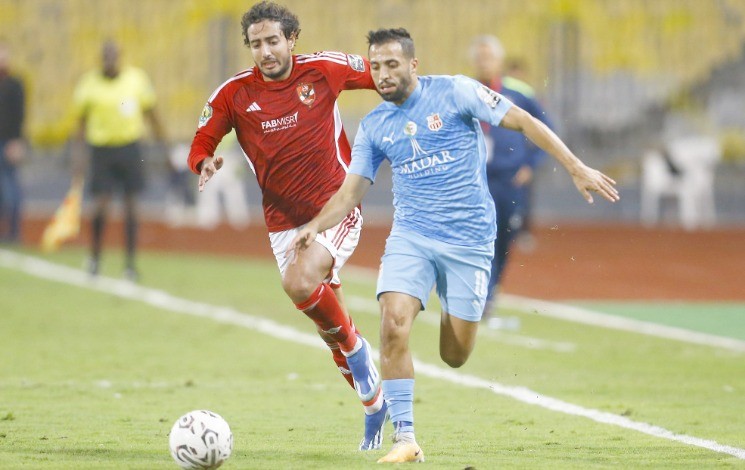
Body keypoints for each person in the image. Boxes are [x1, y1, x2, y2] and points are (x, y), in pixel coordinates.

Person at [292, 28, 619, 463]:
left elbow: (524, 121)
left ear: (413, 65)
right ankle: (405, 437)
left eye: (392, 65)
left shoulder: (456, 92)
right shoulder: (374, 125)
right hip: (412, 237)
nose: (383, 75)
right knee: (392, 323)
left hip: (469, 242)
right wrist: (315, 225)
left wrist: (575, 167)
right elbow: (351, 191)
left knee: (455, 355)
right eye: (376, 66)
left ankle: (451, 305)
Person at [188, 1, 387, 451]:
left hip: (334, 207)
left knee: (299, 284)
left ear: (291, 39)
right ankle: (375, 404)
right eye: (256, 44)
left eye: (273, 41)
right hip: (283, 224)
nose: (265, 51)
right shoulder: (233, 93)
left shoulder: (324, 69)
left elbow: (383, 77)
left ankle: (358, 352)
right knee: (328, 328)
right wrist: (203, 161)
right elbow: (202, 140)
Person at [470, 35, 555, 329]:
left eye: (489, 57)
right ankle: (480, 296)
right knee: (479, 237)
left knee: (505, 238)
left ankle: (490, 293)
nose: (484, 63)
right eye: (480, 57)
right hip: (475, 180)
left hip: (509, 180)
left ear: (499, 61)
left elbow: (546, 127)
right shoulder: (465, 91)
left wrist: (531, 163)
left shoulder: (519, 93)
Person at [72, 39, 168, 281]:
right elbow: (81, 124)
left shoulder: (136, 80)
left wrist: (164, 148)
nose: (110, 60)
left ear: (120, 56)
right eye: (106, 56)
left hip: (129, 147)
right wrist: (79, 158)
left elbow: (152, 114)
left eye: (113, 55)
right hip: (101, 150)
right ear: (101, 58)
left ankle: (130, 264)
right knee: (100, 206)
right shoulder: (89, 84)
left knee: (132, 207)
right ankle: (95, 257)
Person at [0, 39, 26, 244]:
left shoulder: (15, 84)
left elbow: (19, 115)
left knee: (9, 185)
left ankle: (14, 231)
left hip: (7, 142)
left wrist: (17, 141)